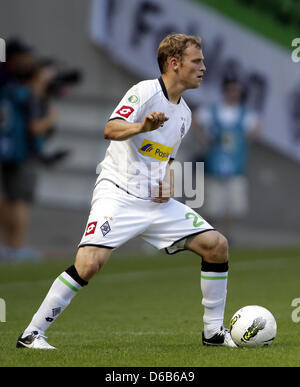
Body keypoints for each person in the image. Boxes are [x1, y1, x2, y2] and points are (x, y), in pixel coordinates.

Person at [16, 33, 236, 349]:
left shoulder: (184, 114)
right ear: (174, 63)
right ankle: (31, 334)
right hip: (118, 193)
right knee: (89, 264)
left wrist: (169, 181)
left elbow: (166, 159)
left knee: (217, 246)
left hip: (155, 204)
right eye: (197, 61)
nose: (204, 67)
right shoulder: (144, 92)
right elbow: (111, 129)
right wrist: (141, 127)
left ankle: (213, 333)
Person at [0, 60, 58, 261]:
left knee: (9, 198)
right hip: (22, 153)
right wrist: (50, 118)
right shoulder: (28, 96)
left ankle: (7, 244)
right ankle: (16, 246)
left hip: (7, 150)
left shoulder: (10, 91)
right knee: (20, 201)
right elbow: (35, 127)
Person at [193, 75, 260, 241]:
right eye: (231, 90)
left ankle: (227, 235)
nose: (234, 94)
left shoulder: (245, 113)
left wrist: (245, 143)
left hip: (235, 164)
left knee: (232, 204)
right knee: (212, 203)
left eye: (236, 91)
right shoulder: (214, 109)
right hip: (215, 162)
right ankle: (209, 234)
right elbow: (196, 120)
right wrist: (205, 138)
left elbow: (256, 129)